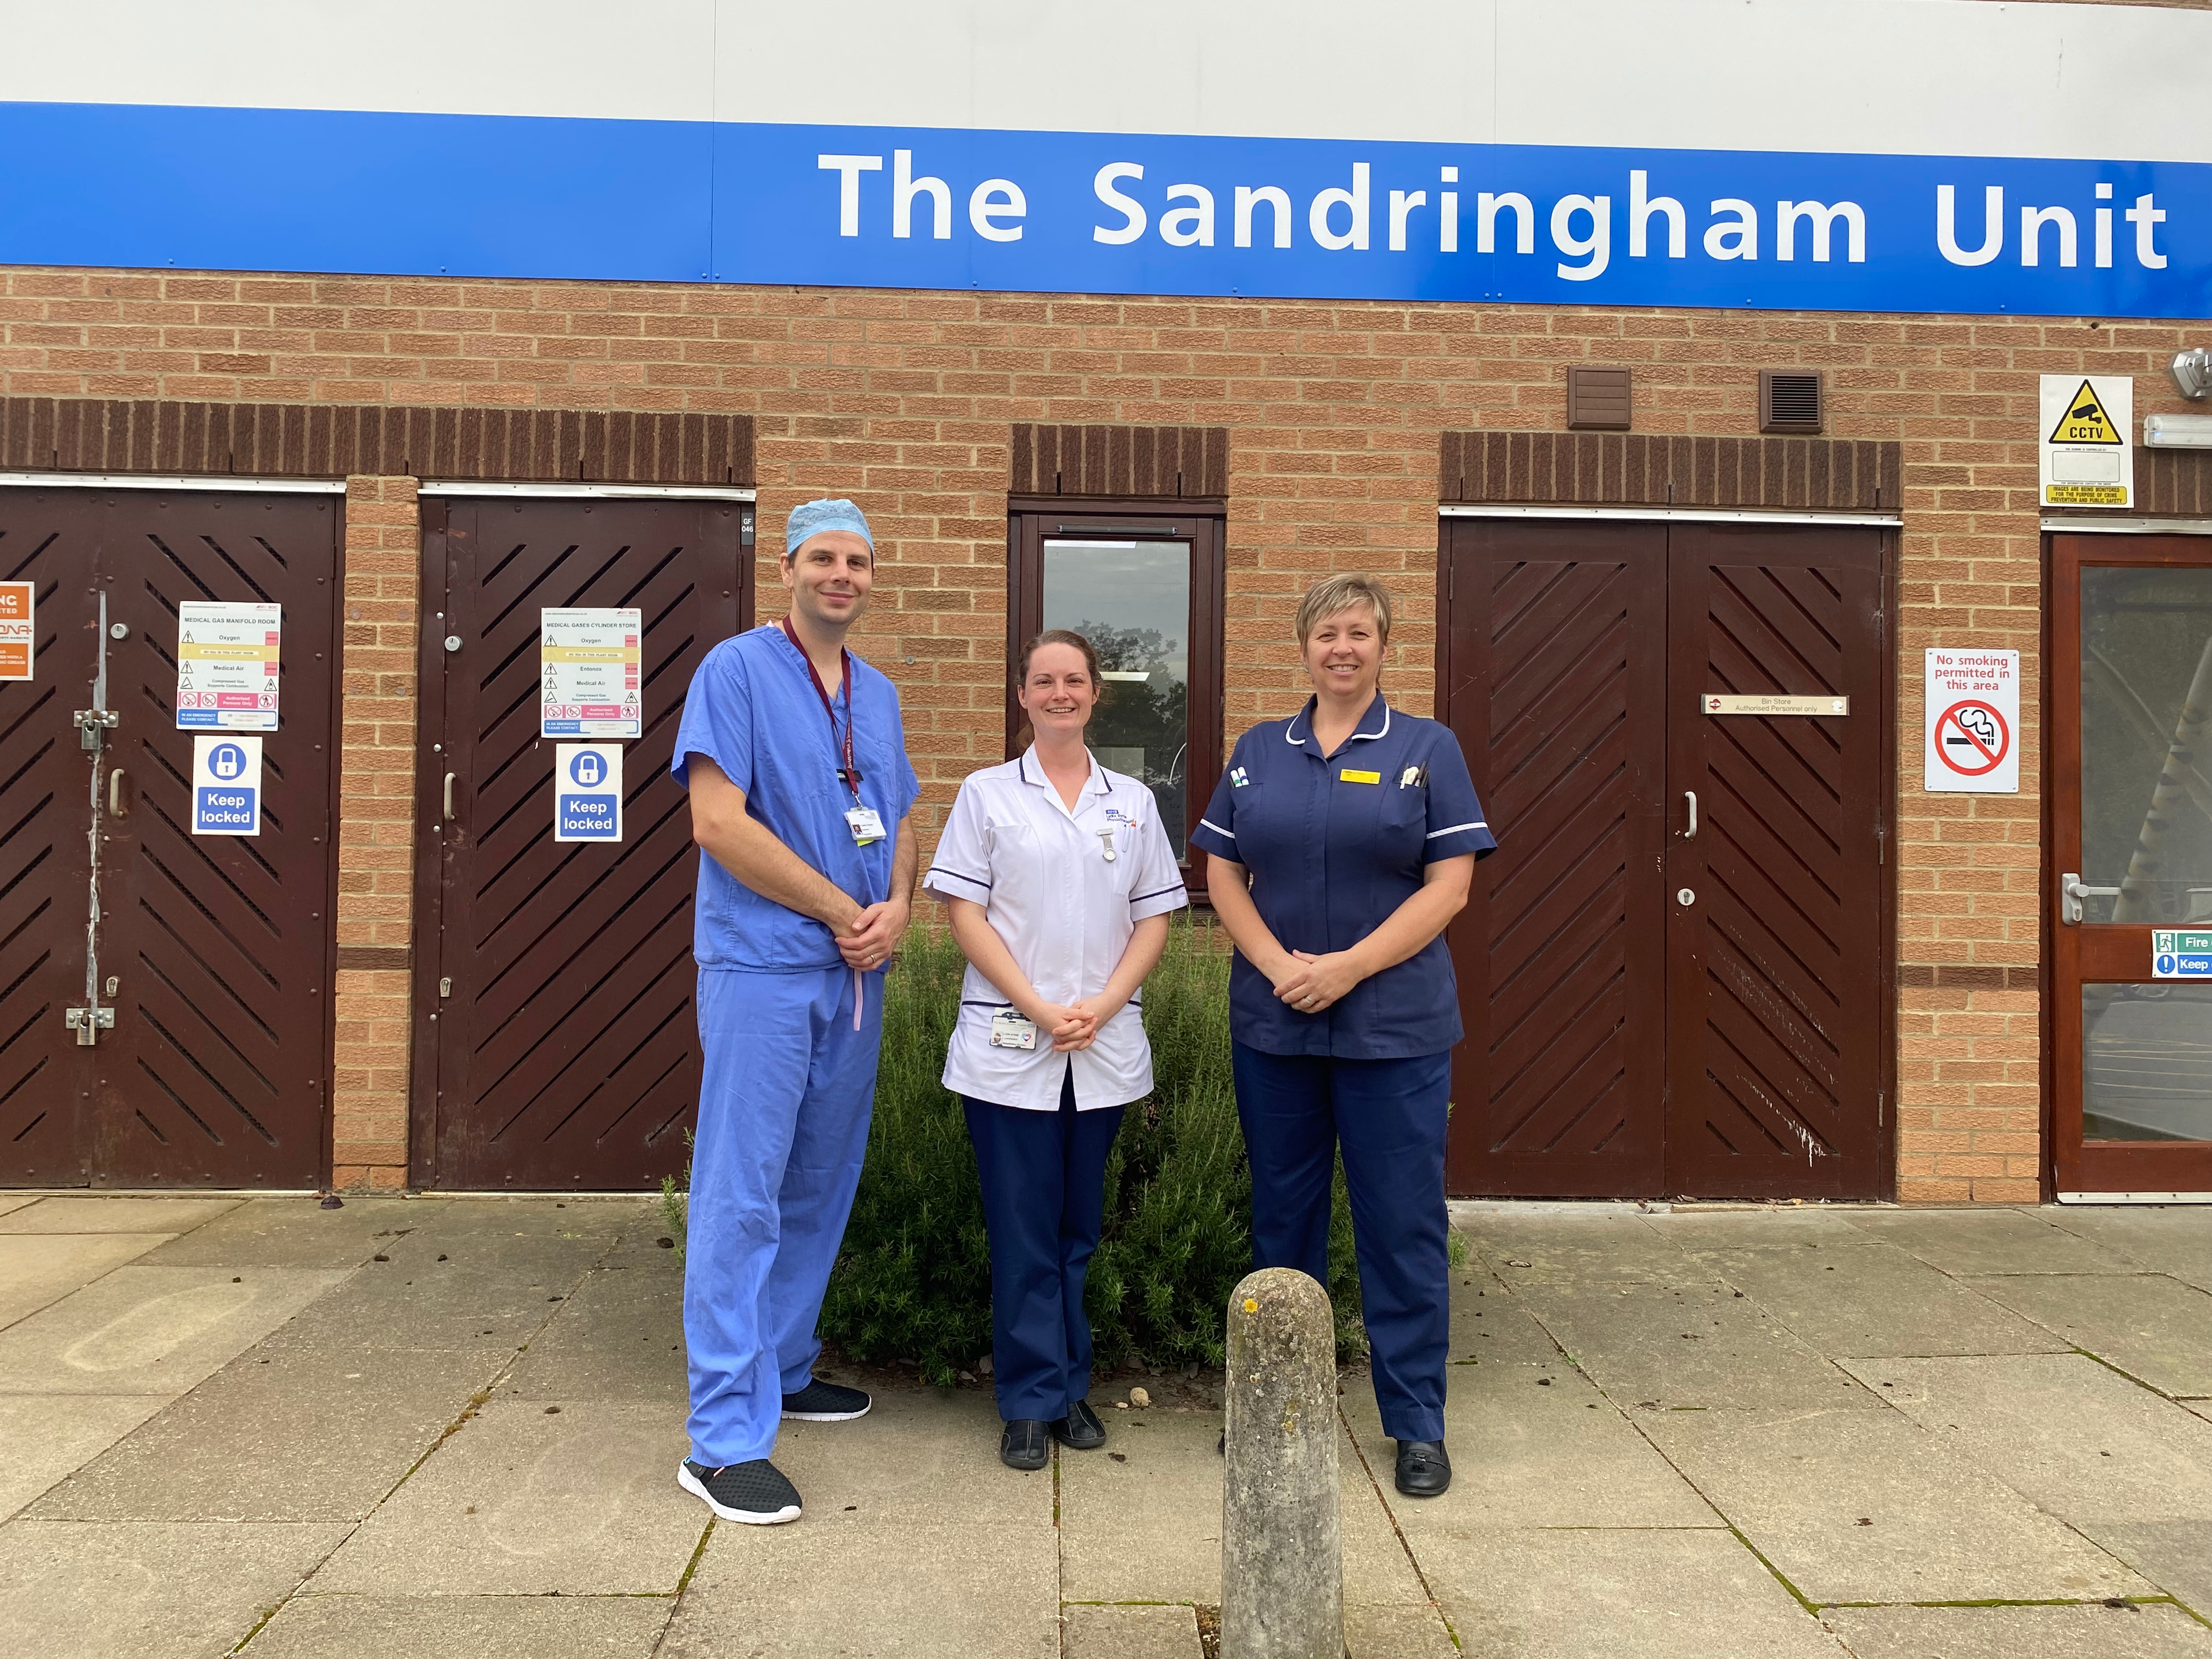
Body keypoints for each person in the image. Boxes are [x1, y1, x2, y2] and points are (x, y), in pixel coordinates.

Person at [1189, 573, 1494, 1498]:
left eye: (1359, 633)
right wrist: (1278, 966)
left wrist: (1348, 968)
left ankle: (1417, 1423)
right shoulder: (1259, 751)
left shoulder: (1427, 748)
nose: (1342, 649)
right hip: (1276, 1026)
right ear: (1304, 648)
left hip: (1393, 1032)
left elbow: (1451, 887)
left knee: (1401, 1226)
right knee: (1282, 1222)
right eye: (1327, 634)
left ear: (1384, 645)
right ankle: (1275, 1407)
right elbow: (1222, 869)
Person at [669, 497, 919, 1525]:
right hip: (766, 968)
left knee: (821, 1180)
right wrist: (838, 910)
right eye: (823, 557)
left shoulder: (878, 692)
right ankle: (725, 1440)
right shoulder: (733, 672)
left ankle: (782, 1363)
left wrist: (898, 906)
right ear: (787, 568)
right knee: (744, 1192)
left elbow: (901, 815)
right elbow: (717, 823)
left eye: (858, 560)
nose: (841, 574)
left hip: (855, 972)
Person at [922, 629, 1188, 1470]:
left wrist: (1102, 1005)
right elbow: (966, 914)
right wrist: (1037, 1007)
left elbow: (1154, 916)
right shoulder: (987, 794)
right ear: (1023, 696)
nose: (1061, 693)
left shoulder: (1132, 801)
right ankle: (1031, 1401)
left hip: (1100, 1045)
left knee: (1078, 1231)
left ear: (1096, 693)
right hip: (1011, 1044)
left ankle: (1071, 1386)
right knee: (1022, 1232)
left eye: (1075, 680)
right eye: (1045, 681)